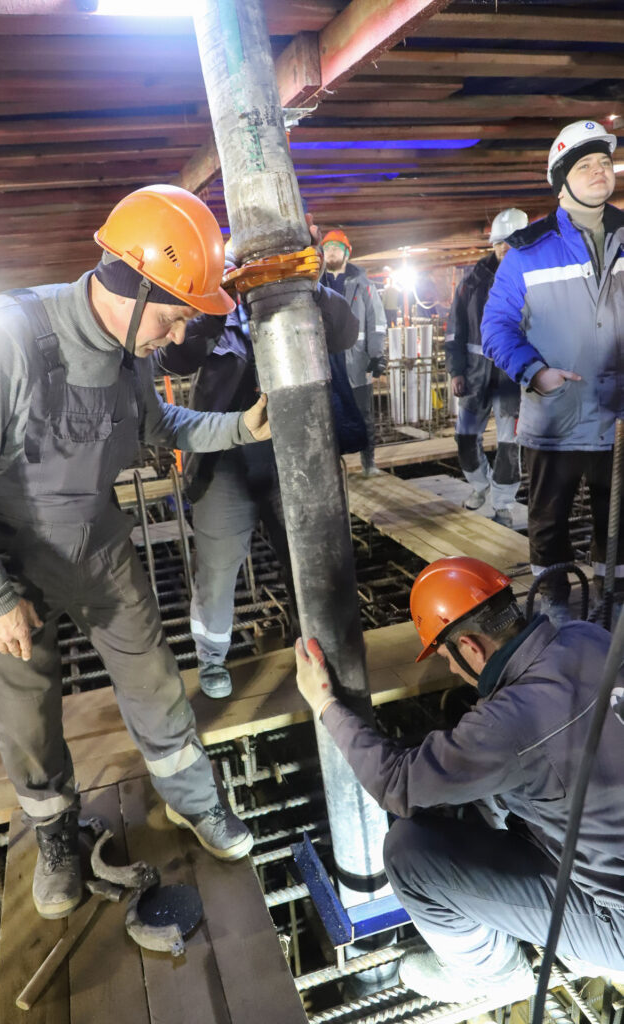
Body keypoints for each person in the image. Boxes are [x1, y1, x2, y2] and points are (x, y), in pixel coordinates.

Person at [0, 184, 272, 921]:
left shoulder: (131, 353)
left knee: (155, 681)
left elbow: (161, 428)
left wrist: (240, 428)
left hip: (99, 545)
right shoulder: (5, 340)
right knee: (26, 712)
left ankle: (193, 800)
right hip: (11, 562)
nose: (180, 335)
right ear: (132, 285)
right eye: (174, 313)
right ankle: (56, 833)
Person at [295, 556, 624, 1002]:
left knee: (409, 854)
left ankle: (495, 975)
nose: (450, 669)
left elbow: (395, 784)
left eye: (446, 656)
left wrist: (324, 704)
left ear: (470, 646)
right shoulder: (586, 635)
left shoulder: (507, 723)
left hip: (617, 918)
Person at [155, 243, 361, 699]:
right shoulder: (215, 315)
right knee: (218, 567)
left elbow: (346, 333)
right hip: (224, 458)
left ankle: (315, 648)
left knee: (307, 559)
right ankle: (211, 657)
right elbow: (174, 358)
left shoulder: (305, 299)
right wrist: (216, 303)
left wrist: (312, 285)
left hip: (296, 454)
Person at [482, 121, 624, 626]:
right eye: (584, 165)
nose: (599, 171)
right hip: (555, 419)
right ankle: (557, 618)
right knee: (549, 526)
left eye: (604, 162)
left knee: (619, 527)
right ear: (560, 182)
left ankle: (614, 613)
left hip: (618, 420)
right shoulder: (527, 251)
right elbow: (496, 326)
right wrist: (534, 372)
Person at [446, 208, 527, 526]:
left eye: (509, 241)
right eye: (498, 242)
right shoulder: (472, 280)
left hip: (511, 376)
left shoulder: (532, 277)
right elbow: (455, 330)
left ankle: (503, 503)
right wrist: (456, 370)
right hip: (475, 374)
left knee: (509, 443)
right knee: (465, 436)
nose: (503, 247)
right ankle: (480, 485)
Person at [321, 229, 388, 477]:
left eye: (336, 248)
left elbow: (376, 321)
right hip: (326, 362)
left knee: (363, 414)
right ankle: (333, 467)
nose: (331, 252)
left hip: (357, 361)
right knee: (329, 415)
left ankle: (368, 463)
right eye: (327, 248)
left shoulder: (363, 284)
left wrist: (377, 355)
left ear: (347, 253)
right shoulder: (315, 284)